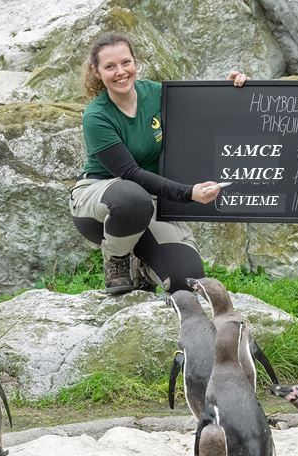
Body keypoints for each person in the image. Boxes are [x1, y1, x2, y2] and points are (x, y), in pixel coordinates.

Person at [69, 32, 248, 294]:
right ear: (96, 71)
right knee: (131, 198)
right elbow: (130, 174)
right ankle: (117, 259)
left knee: (185, 281)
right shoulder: (96, 116)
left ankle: (142, 266)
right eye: (110, 66)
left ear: (135, 62)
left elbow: (206, 109)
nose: (121, 72)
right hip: (102, 203)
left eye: (126, 62)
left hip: (151, 200)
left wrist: (235, 89)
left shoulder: (156, 93)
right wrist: (188, 193)